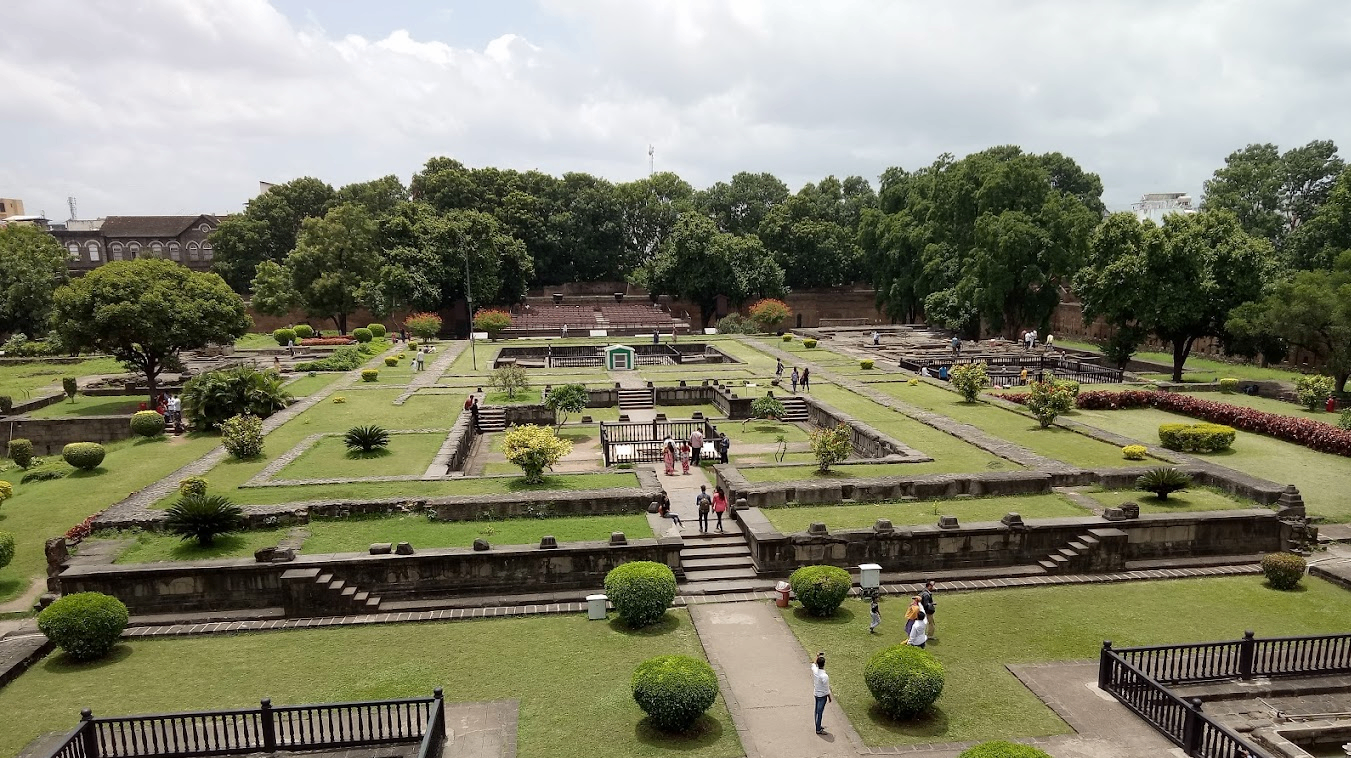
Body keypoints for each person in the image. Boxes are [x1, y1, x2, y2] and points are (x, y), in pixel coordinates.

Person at [811, 653, 832, 735]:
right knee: (820, 712)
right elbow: (826, 688)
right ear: (824, 664)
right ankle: (818, 729)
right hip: (822, 696)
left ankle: (818, 725)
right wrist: (829, 697)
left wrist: (817, 657)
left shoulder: (815, 671)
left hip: (816, 693)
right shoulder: (824, 676)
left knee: (817, 710)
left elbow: (813, 664)